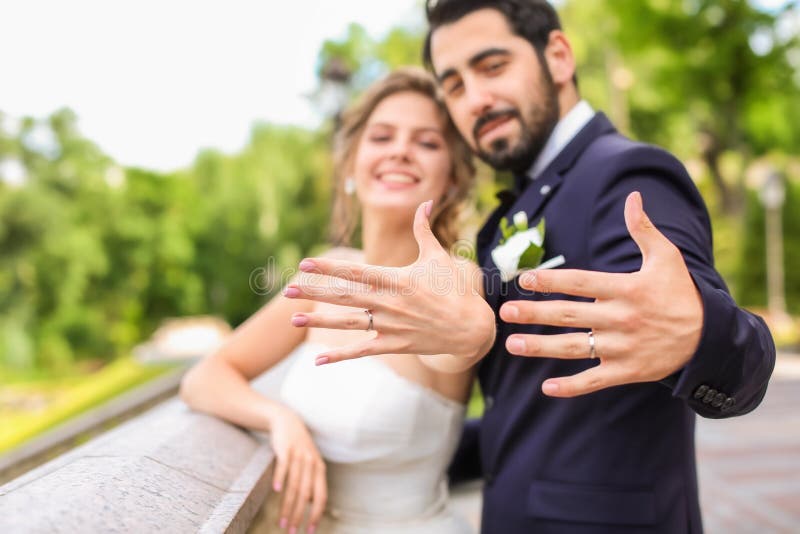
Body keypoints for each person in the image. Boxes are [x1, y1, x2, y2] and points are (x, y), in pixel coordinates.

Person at [285, 1, 776, 532]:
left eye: (492, 67)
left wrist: (700, 335)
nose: (476, 99)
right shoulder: (503, 222)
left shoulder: (627, 173)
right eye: (454, 85)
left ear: (559, 57)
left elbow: (740, 356)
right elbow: (527, 412)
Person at [180, 67, 482, 534]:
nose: (400, 150)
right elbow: (204, 378)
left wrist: (468, 334)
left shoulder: (455, 278)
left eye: (426, 142)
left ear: (452, 180)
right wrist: (277, 419)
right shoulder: (328, 271)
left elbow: (460, 340)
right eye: (382, 136)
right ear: (351, 166)